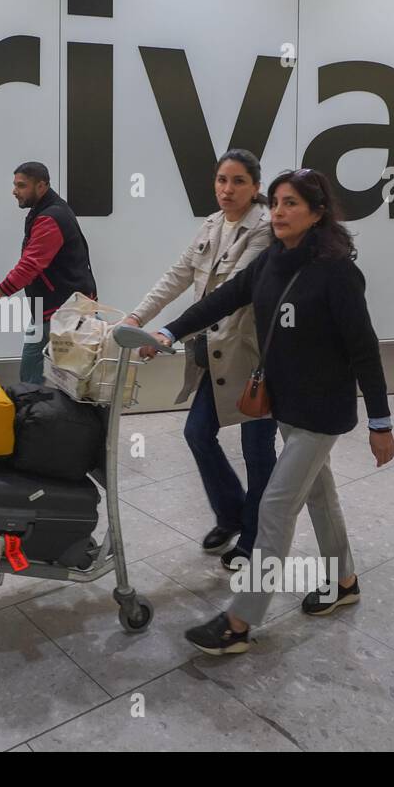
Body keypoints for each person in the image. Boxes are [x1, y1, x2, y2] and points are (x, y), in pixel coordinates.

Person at [143, 168, 394, 655]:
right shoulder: (271, 261)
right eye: (276, 202)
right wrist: (169, 333)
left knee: (276, 507)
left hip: (321, 412)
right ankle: (344, 582)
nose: (278, 212)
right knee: (321, 498)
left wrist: (380, 423)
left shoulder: (338, 272)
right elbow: (221, 299)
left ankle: (240, 621)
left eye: (292, 204)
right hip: (285, 407)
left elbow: (364, 349)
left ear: (317, 213)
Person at [124, 149, 276, 569]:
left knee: (257, 448)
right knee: (197, 432)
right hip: (215, 354)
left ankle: (254, 536)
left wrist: (167, 333)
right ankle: (231, 513)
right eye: (221, 180)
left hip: (253, 358)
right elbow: (177, 276)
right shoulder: (211, 224)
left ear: (256, 187)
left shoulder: (262, 231)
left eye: (238, 181)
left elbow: (228, 297)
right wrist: (137, 316)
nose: (227, 190)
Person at [0, 162, 97, 384]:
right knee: (72, 378)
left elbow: (28, 268)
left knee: (33, 377)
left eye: (21, 186)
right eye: (15, 185)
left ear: (41, 186)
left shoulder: (50, 217)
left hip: (62, 310)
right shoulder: (47, 210)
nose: (14, 191)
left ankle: (31, 413)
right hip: (65, 306)